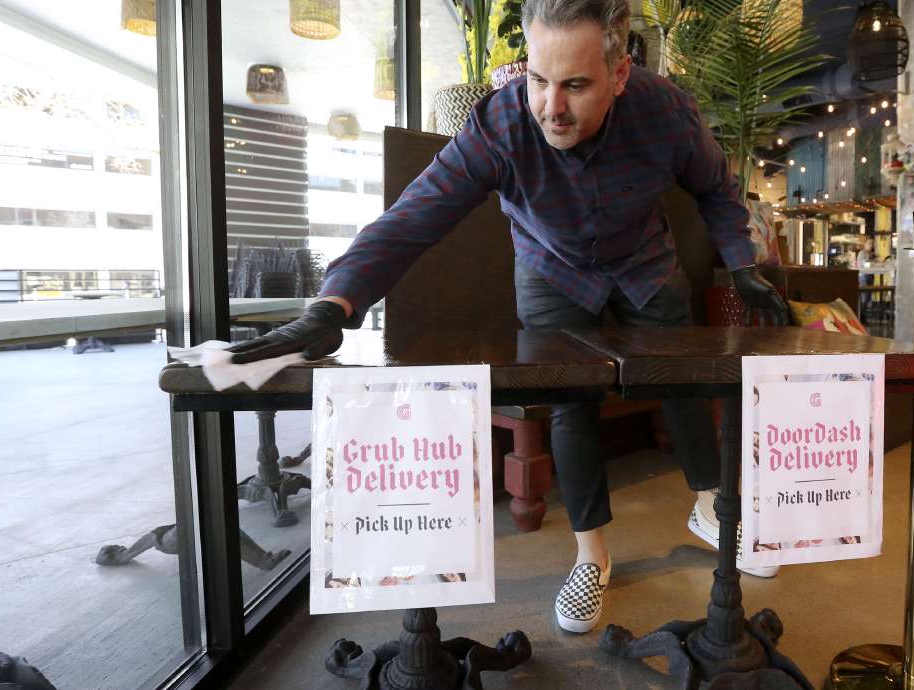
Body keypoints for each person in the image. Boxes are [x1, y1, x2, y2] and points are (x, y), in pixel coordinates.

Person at [226, 0, 789, 634]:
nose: (551, 106)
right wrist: (336, 302)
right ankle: (589, 555)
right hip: (550, 267)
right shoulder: (498, 126)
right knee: (571, 399)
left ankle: (711, 506)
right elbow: (412, 219)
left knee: (684, 378)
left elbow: (716, 189)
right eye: (539, 80)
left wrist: (743, 263)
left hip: (644, 260)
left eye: (576, 85)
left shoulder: (667, 112)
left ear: (620, 73)